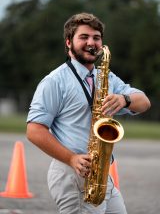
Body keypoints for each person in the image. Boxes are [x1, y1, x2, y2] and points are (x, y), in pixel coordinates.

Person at [26, 12, 151, 214]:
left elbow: (144, 102)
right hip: (73, 172)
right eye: (83, 37)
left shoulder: (107, 77)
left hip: (101, 174)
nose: (91, 42)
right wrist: (71, 159)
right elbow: (34, 130)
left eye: (96, 37)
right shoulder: (54, 81)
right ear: (68, 42)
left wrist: (124, 99)